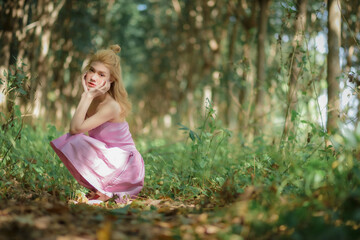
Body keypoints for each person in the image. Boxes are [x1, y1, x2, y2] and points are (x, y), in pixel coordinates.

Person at [50, 45, 144, 204]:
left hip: (126, 165)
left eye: (101, 74)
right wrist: (87, 96)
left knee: (74, 139)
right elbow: (74, 128)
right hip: (110, 157)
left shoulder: (111, 106)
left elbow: (74, 129)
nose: (93, 78)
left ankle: (107, 191)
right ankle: (101, 190)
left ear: (111, 80)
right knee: (72, 139)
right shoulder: (92, 98)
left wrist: (86, 96)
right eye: (92, 71)